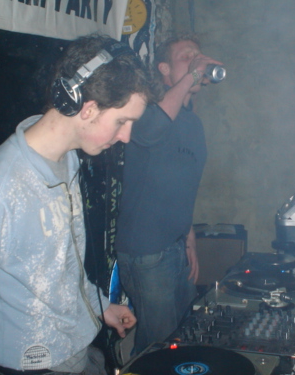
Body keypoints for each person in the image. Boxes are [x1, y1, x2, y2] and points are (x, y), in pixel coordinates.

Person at [0, 35, 158, 375]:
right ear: (88, 108)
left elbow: (60, 263)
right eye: (121, 121)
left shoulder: (68, 161)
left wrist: (98, 304)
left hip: (76, 353)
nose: (126, 136)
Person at [114, 33, 223, 354]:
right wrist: (192, 75)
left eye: (198, 56)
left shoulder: (192, 123)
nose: (196, 62)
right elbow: (149, 132)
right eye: (186, 57)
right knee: (157, 348)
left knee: (181, 338)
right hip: (147, 251)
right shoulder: (146, 113)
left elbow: (181, 185)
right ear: (164, 69)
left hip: (176, 246)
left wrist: (189, 237)